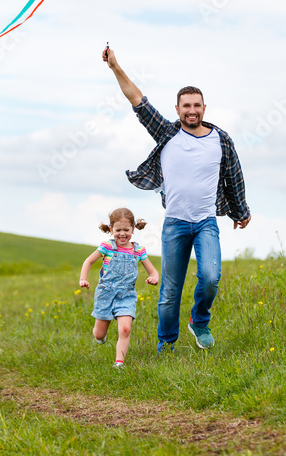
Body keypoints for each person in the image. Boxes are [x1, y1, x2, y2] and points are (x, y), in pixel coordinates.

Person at [103, 46, 251, 352]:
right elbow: (137, 100)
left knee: (210, 277)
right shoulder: (167, 133)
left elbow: (235, 176)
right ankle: (166, 345)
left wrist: (241, 211)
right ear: (178, 108)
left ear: (204, 107)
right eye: (186, 106)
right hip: (175, 224)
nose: (192, 111)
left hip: (206, 222)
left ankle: (199, 321)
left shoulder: (221, 140)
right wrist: (115, 66)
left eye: (197, 105)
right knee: (170, 291)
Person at [78, 208, 160, 368]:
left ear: (133, 229)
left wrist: (154, 277)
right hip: (106, 295)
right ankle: (100, 335)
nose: (122, 234)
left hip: (126, 296)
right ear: (111, 229)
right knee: (99, 334)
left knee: (125, 329)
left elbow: (153, 271)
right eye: (118, 230)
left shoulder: (138, 250)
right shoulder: (107, 247)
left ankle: (119, 363)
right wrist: (83, 279)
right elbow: (88, 262)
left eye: (126, 230)